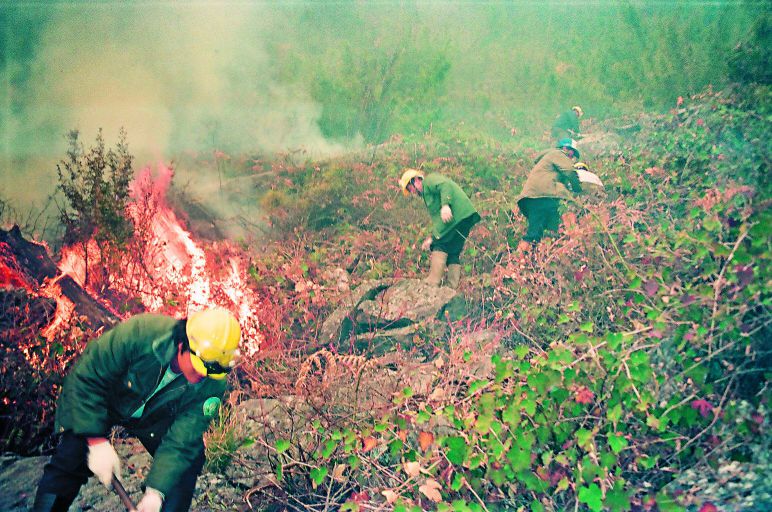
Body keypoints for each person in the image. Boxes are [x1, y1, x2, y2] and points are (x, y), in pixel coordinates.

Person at [33, 308, 242, 512]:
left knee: (183, 469)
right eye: (200, 366)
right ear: (182, 345)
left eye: (213, 371)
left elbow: (182, 440)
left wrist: (156, 493)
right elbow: (88, 376)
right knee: (71, 455)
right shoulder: (141, 333)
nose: (203, 375)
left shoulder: (213, 384)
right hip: (109, 401)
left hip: (157, 421)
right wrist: (95, 440)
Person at [399, 169, 481, 288]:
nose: (411, 191)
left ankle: (432, 282)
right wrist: (432, 238)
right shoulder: (427, 194)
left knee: (440, 246)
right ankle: (451, 287)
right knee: (453, 251)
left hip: (457, 217)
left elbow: (445, 185)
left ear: (416, 180)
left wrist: (445, 205)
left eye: (409, 187)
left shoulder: (429, 180)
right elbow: (441, 224)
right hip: (462, 218)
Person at [515, 138, 582, 245]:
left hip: (532, 198)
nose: (572, 157)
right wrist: (577, 188)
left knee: (534, 234)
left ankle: (519, 259)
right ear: (565, 148)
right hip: (543, 196)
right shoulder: (558, 154)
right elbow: (570, 171)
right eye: (571, 153)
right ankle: (576, 241)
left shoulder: (546, 160)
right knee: (567, 212)